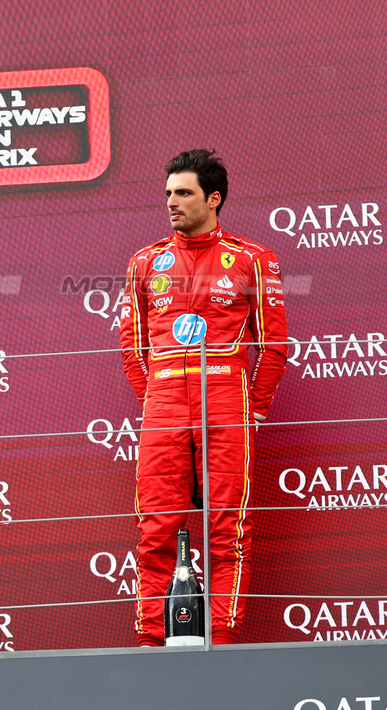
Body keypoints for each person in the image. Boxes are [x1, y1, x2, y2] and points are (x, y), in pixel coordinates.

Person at [118, 150, 288, 645]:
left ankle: (224, 643)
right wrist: (154, 399)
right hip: (164, 405)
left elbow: (274, 347)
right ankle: (150, 645)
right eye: (169, 192)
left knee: (228, 532)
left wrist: (252, 409)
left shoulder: (254, 258)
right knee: (156, 532)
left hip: (226, 402)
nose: (171, 202)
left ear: (213, 199)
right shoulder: (145, 262)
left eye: (184, 192)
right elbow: (131, 347)